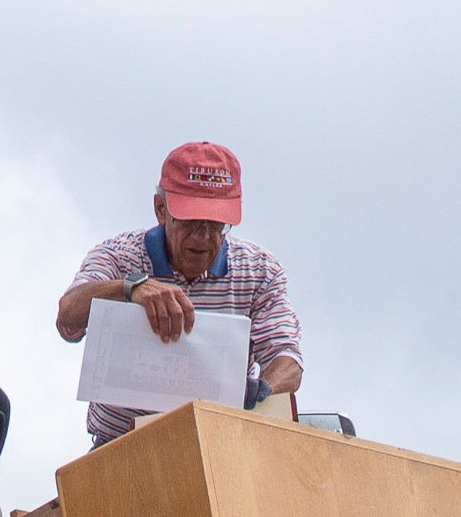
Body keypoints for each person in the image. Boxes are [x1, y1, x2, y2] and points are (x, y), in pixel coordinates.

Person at [53, 140, 303, 427]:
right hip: (120, 445)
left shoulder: (259, 271)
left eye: (216, 224)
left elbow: (287, 358)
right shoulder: (118, 257)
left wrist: (264, 390)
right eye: (191, 221)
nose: (203, 236)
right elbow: (68, 315)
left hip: (219, 441)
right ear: (161, 209)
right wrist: (129, 288)